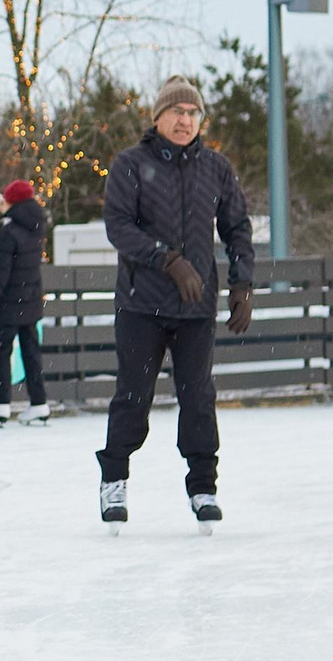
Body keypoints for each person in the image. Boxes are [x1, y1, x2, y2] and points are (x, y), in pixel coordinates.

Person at [98, 77, 252, 535]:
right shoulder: (130, 164)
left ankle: (203, 487)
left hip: (195, 309)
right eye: (177, 112)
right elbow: (118, 227)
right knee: (133, 396)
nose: (185, 120)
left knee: (199, 397)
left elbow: (237, 226)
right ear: (158, 117)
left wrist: (243, 284)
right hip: (141, 305)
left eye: (193, 113)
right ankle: (114, 479)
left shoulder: (216, 168)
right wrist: (168, 260)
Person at [0, 178, 50, 428]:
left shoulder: (8, 229)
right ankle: (39, 403)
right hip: (30, 300)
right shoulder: (36, 226)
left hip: (8, 303)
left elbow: (1, 271)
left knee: (3, 354)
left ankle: (2, 405)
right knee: (32, 353)